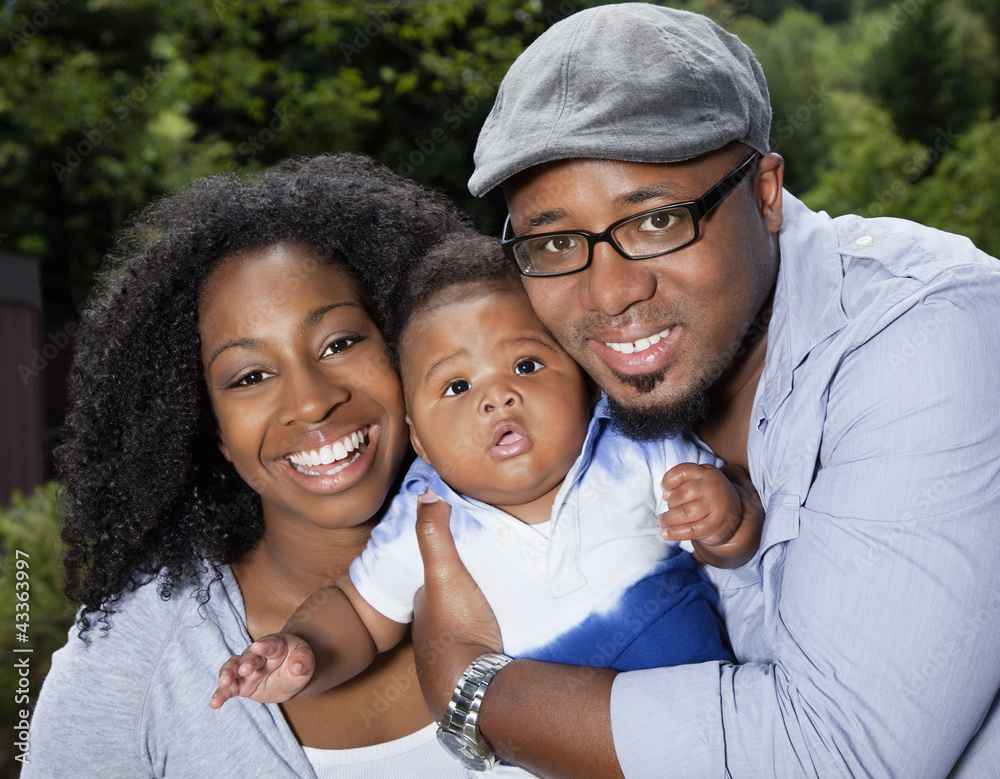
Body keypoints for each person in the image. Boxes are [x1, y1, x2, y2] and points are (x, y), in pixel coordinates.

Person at [407, 4, 1000, 778]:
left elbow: (832, 757)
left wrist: (474, 688)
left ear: (765, 191)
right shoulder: (546, 393)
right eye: (556, 242)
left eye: (656, 220)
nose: (610, 292)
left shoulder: (931, 334)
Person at [209, 234, 763, 764]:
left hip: (705, 720)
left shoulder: (636, 449)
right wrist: (303, 649)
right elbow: (358, 611)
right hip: (561, 749)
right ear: (420, 439)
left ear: (586, 381)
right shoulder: (428, 513)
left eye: (525, 366)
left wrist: (725, 515)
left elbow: (732, 545)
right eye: (456, 386)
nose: (498, 396)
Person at [25, 154, 476, 778]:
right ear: (209, 427)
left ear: (406, 344)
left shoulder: (557, 544)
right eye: (250, 376)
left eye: (341, 343)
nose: (313, 399)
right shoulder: (133, 664)